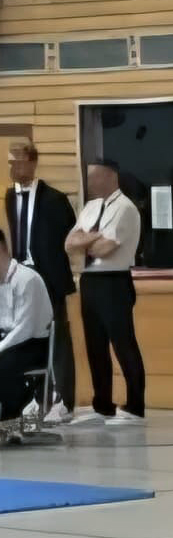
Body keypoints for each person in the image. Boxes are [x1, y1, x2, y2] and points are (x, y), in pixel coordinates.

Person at [64, 159, 145, 425]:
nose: (90, 183)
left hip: (114, 281)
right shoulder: (90, 207)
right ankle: (102, 405)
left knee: (123, 344)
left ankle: (135, 407)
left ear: (111, 176)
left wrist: (86, 240)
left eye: (95, 177)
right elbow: (69, 243)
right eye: (89, 177)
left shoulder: (125, 208)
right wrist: (94, 237)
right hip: (90, 281)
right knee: (95, 345)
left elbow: (104, 250)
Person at [8, 143, 77, 423]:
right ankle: (35, 398)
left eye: (18, 161)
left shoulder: (55, 199)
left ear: (32, 162)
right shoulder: (10, 197)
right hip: (21, 278)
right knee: (25, 337)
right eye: (10, 162)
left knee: (58, 338)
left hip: (49, 278)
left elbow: (68, 236)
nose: (13, 167)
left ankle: (65, 400)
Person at [0, 229, 54, 437]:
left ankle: (11, 422)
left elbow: (25, 328)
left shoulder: (27, 279)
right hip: (8, 340)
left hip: (32, 344)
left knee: (4, 365)